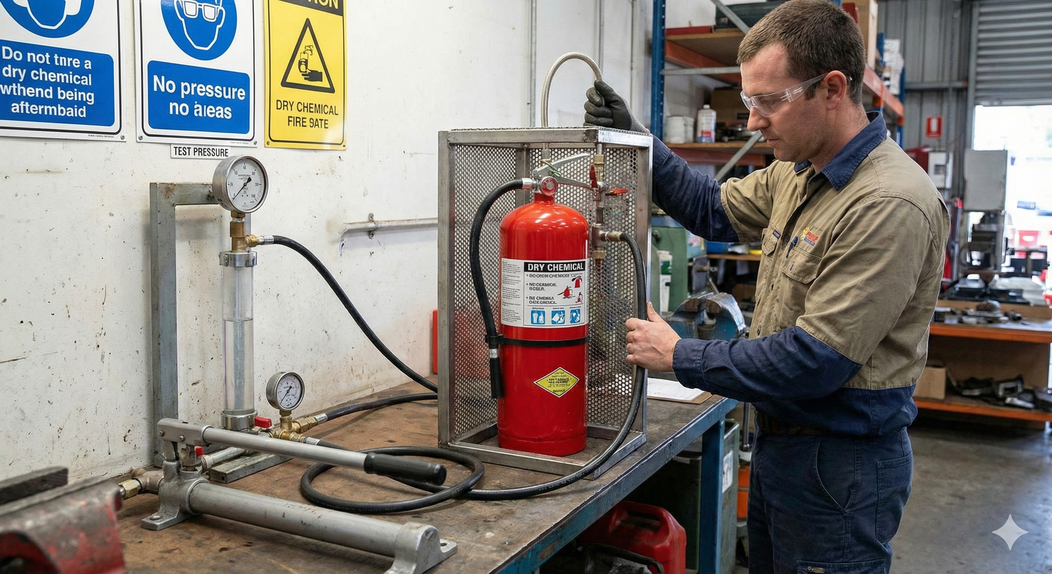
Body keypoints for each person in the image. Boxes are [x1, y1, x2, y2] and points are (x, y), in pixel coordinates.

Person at [584, 1, 949, 572]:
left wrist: (680, 355)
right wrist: (639, 142)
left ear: (832, 88)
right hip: (784, 446)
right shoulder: (800, 171)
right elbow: (710, 208)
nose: (752, 121)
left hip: (840, 466)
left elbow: (816, 360)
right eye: (749, 101)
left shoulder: (888, 202)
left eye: (768, 102)